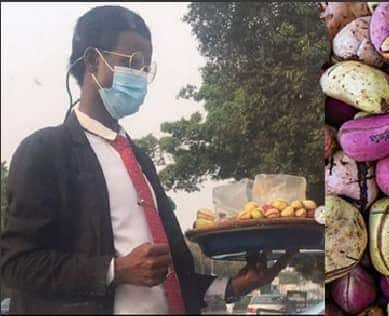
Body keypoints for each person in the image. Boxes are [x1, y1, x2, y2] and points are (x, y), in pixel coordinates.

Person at [0, 5, 295, 314]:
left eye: (146, 68)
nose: (140, 76)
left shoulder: (139, 160)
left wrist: (233, 285)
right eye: (133, 62)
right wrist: (115, 270)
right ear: (93, 62)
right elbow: (18, 264)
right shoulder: (46, 151)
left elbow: (168, 278)